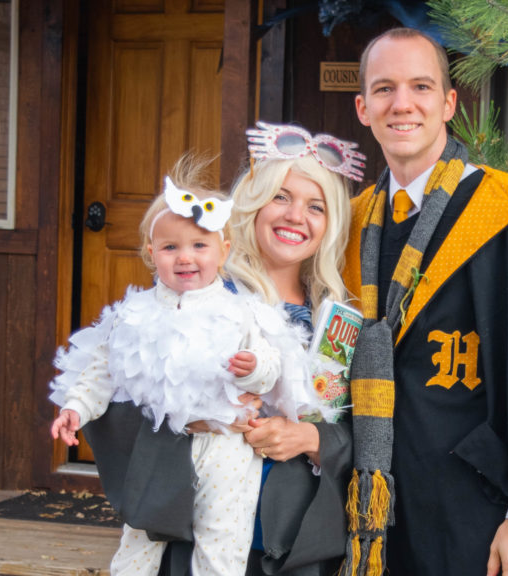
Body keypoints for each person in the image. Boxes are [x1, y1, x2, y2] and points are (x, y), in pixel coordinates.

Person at [341, 28, 508, 576]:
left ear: (449, 103)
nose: (401, 104)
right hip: (376, 515)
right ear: (363, 108)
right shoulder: (351, 222)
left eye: (421, 86)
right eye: (384, 89)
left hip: (480, 509)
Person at [77, 123, 364, 576]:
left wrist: (310, 439)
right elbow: (117, 394)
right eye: (281, 197)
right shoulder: (195, 294)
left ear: (330, 225)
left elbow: (365, 433)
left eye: (316, 206)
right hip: (194, 526)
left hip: (296, 541)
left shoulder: (341, 319)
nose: (296, 216)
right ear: (252, 203)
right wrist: (193, 416)